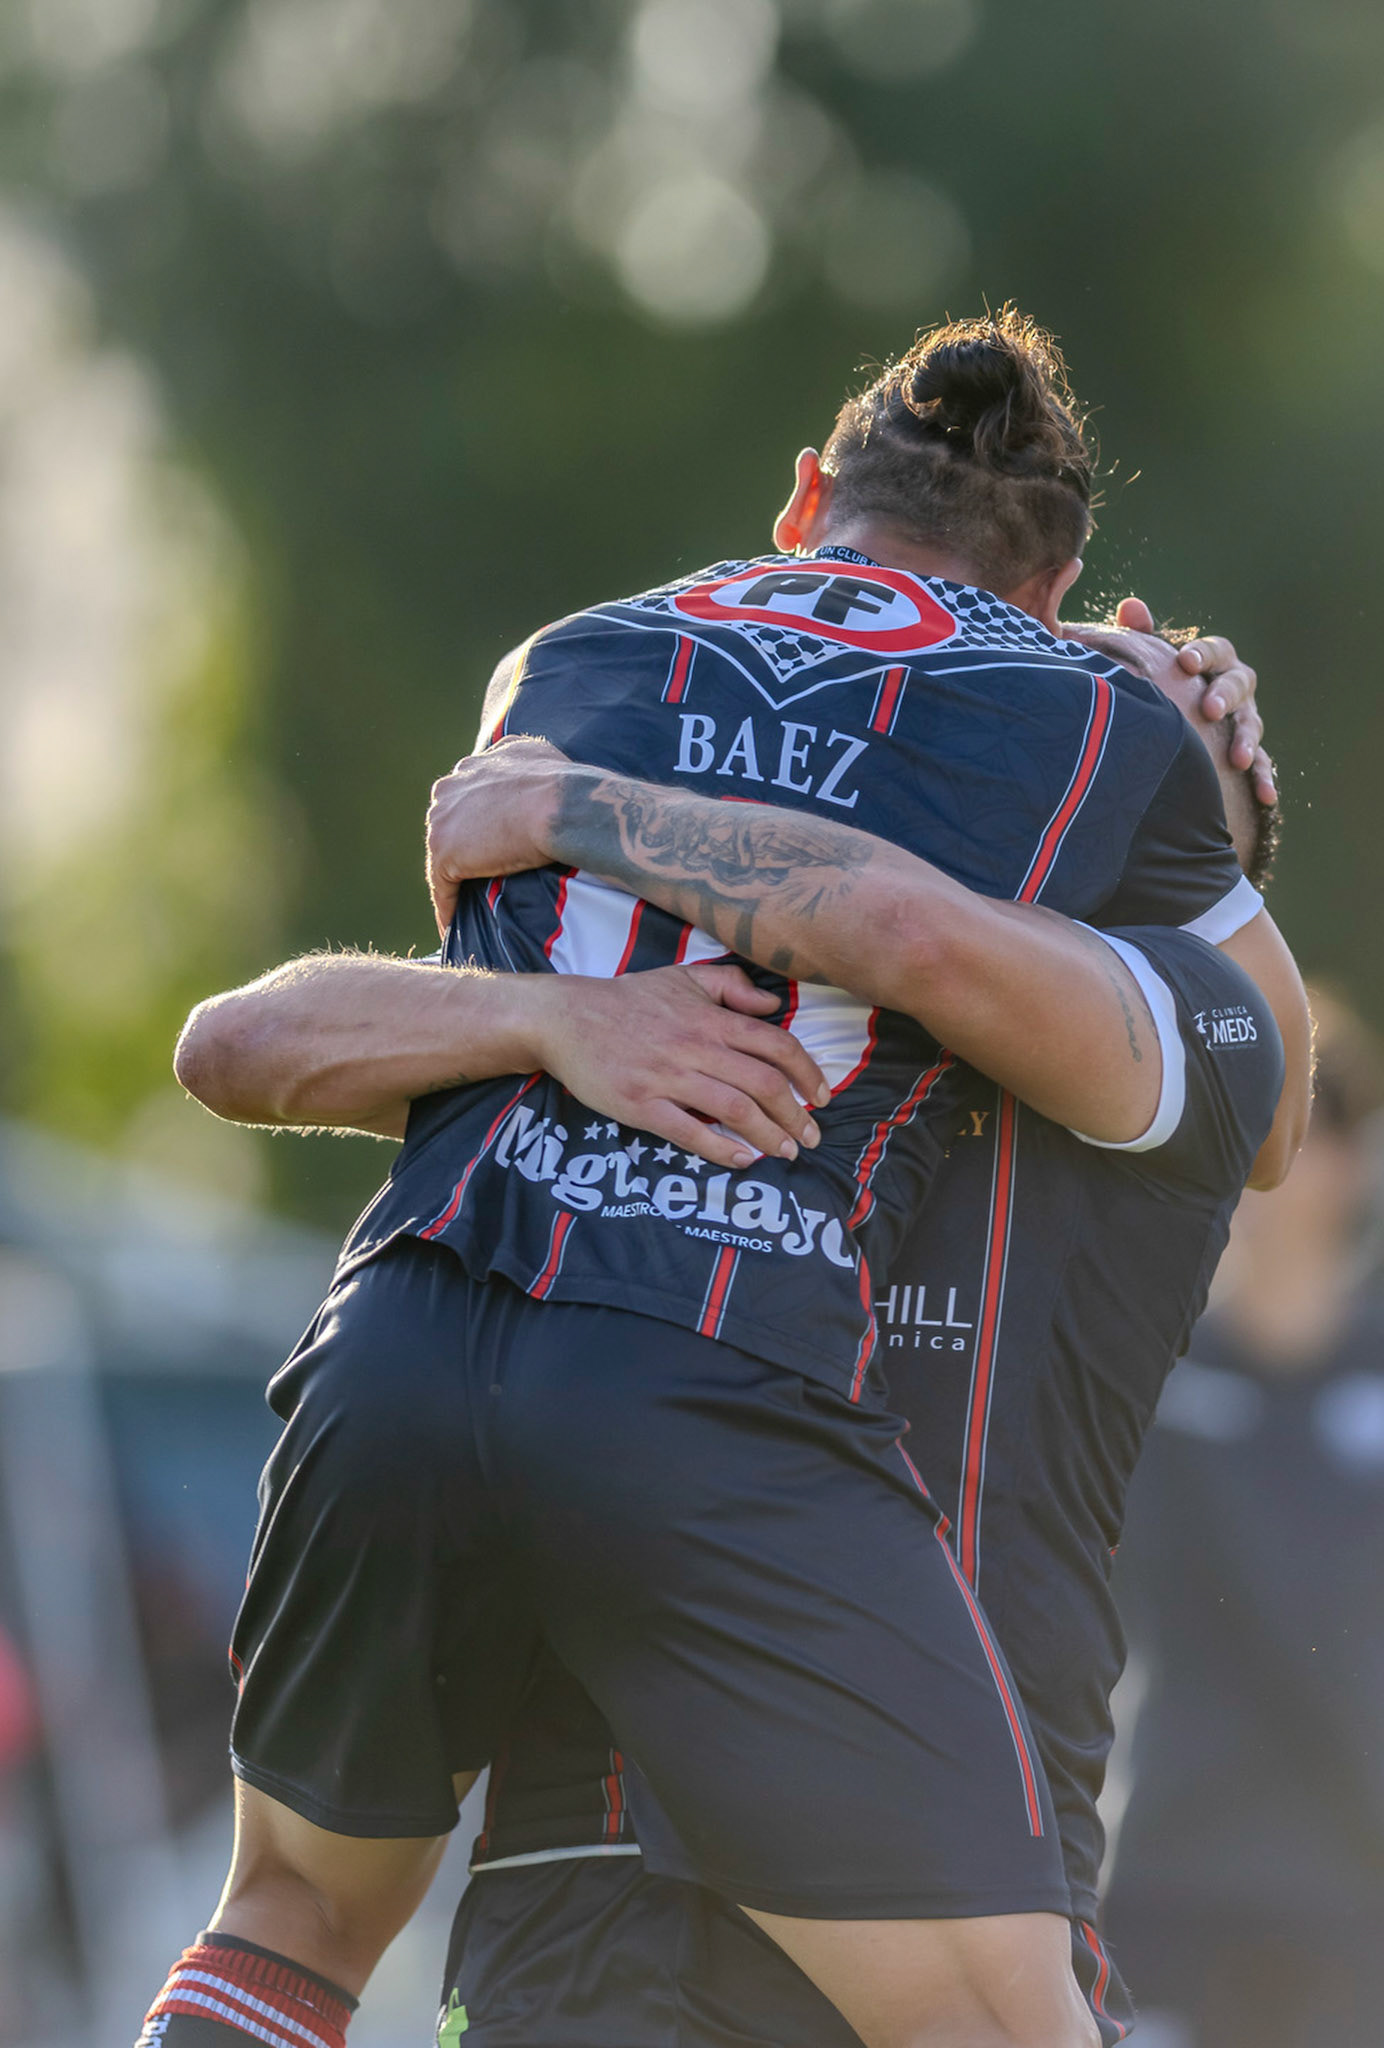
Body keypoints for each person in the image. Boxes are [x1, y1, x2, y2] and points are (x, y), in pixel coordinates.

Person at [142, 310, 1301, 2048]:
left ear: (804, 495)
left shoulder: (566, 662)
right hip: (699, 1378)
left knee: (288, 1918)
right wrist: (1163, 733)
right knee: (1009, 2024)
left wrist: (563, 913)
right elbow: (1241, 1081)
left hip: (396, 1344)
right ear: (1056, 584)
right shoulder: (1083, 724)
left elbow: (233, 1043)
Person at [1102, 991, 1384, 2048]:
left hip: (1383, 1887)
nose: (1260, 1168)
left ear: (1355, 1159)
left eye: (1296, 1128)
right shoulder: (1133, 1366)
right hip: (1166, 1880)